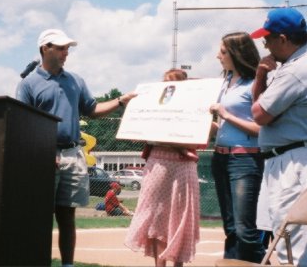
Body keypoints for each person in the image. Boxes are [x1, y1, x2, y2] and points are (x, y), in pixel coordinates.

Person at [16, 28, 137, 267]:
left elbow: (92, 110)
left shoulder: (75, 80)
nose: (66, 53)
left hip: (73, 153)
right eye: (60, 48)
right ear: (44, 49)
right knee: (39, 215)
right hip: (43, 156)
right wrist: (41, 151)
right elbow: (22, 121)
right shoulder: (29, 84)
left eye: (67, 48)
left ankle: (67, 265)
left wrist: (122, 100)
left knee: (67, 215)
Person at [250, 7, 307, 266]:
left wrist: (261, 74)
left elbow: (259, 114)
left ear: (283, 39)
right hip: (294, 157)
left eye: (268, 37)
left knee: (301, 249)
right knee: (289, 242)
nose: (264, 43)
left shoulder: (297, 70)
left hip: (299, 161)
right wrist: (263, 75)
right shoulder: (299, 65)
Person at [124, 68, 201, 267]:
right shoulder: (153, 105)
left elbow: (200, 137)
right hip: (158, 161)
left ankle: (177, 264)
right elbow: (139, 133)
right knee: (157, 216)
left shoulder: (196, 107)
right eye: (166, 85)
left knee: (181, 216)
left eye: (175, 84)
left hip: (183, 165)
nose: (170, 89)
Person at [209, 32, 265, 263]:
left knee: (245, 231)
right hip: (220, 158)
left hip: (244, 161)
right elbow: (221, 125)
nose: (217, 56)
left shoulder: (255, 85)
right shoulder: (225, 83)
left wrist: (226, 115)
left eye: (222, 52)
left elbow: (262, 130)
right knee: (231, 229)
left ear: (236, 53)